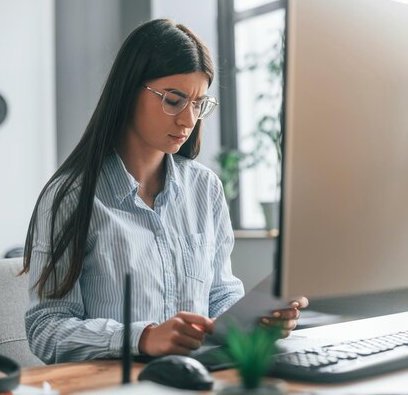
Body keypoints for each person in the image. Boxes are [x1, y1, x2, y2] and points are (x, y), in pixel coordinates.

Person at [21, 18, 308, 364]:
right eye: (174, 100)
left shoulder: (205, 189)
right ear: (129, 92)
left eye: (199, 104)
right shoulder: (71, 197)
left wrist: (255, 322)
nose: (188, 120)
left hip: (196, 380)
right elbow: (46, 328)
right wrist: (142, 338)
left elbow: (219, 297)